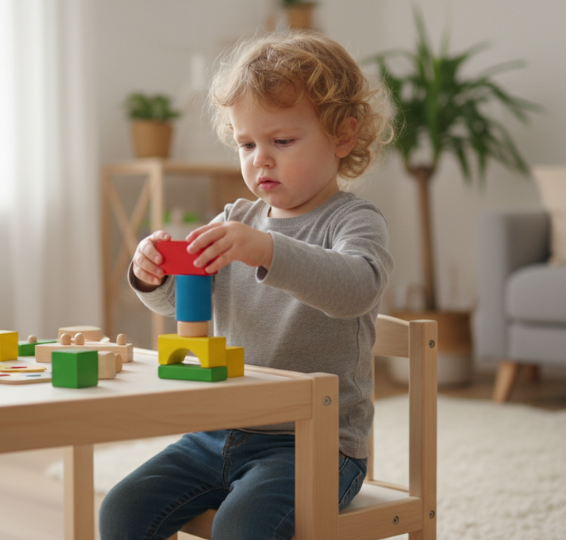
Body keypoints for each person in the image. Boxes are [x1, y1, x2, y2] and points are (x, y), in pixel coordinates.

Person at [99, 30, 394, 540]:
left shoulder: (353, 221)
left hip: (315, 445)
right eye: (246, 143)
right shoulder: (237, 217)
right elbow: (181, 299)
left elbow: (357, 289)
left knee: (243, 527)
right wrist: (153, 272)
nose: (260, 158)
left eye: (281, 141)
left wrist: (267, 250)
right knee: (121, 511)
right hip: (217, 433)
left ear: (342, 136)